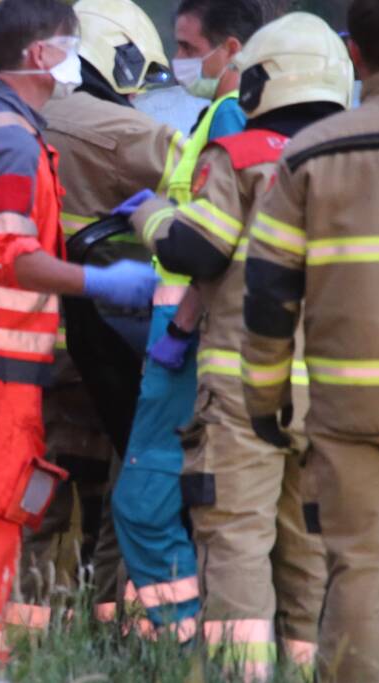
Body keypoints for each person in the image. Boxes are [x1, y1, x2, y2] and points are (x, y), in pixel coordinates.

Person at [0, 0, 158, 661]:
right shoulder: (11, 138)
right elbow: (8, 254)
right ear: (41, 55)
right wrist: (101, 282)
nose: (79, 57)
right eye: (71, 43)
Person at [128, 14, 351, 676]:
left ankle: (240, 671)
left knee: (236, 537)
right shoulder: (357, 156)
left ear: (263, 81)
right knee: (310, 538)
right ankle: (307, 664)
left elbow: (196, 246)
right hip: (332, 388)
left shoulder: (247, 155)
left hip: (246, 385)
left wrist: (148, 216)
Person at [240, 1, 379, 678]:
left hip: (351, 407)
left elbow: (269, 297)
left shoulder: (312, 154)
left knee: (359, 570)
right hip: (348, 410)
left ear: (355, 57)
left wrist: (265, 400)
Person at [25, 0, 189, 633]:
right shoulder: (122, 131)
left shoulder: (4, 120)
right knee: (130, 492)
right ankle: (124, 628)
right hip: (119, 351)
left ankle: (34, 629)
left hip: (38, 354)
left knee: (44, 499)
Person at [108, 0, 262, 640]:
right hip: (215, 340)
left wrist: (176, 330)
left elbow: (210, 247)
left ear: (230, 48)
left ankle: (181, 635)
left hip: (189, 341)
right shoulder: (240, 118)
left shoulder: (227, 117)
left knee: (141, 500)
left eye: (187, 44)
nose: (179, 61)